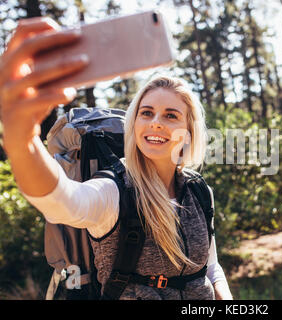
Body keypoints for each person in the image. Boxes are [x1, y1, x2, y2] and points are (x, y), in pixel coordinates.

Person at [0, 17, 233, 300]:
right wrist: (21, 139)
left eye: (170, 115)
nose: (155, 122)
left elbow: (209, 267)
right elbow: (61, 201)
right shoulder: (114, 192)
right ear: (134, 124)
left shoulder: (199, 191)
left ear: (188, 132)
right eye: (146, 113)